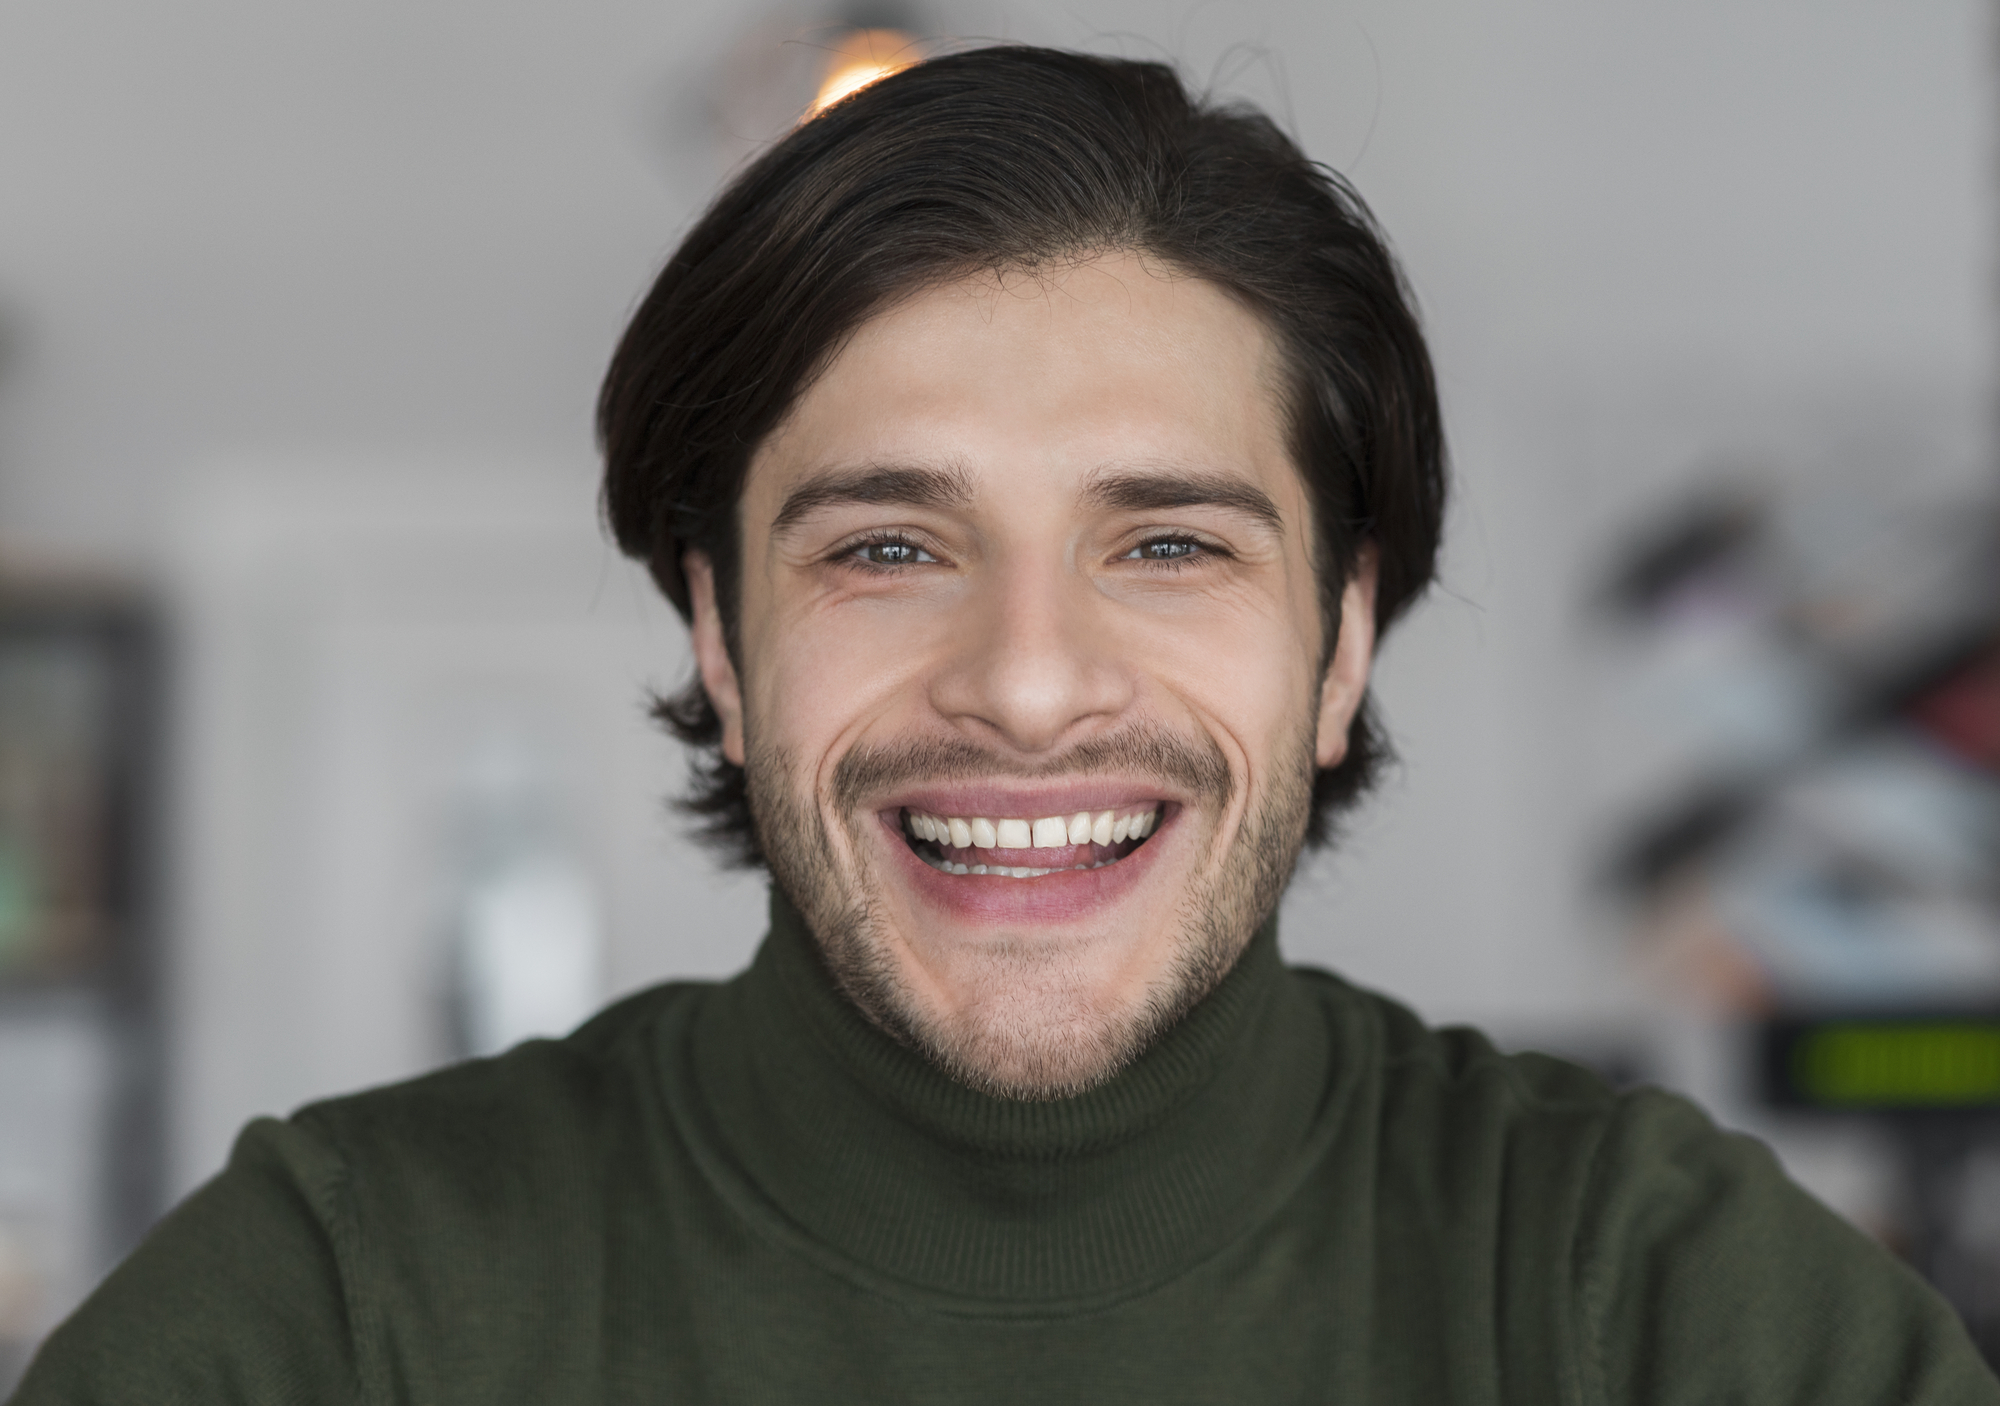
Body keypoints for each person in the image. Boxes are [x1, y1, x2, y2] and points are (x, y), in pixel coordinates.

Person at [14, 44, 1997, 1405]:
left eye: (1164, 543)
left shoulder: (1656, 1304)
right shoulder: (335, 1308)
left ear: (1339, 643)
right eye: (885, 545)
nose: (1029, 681)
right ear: (718, 630)